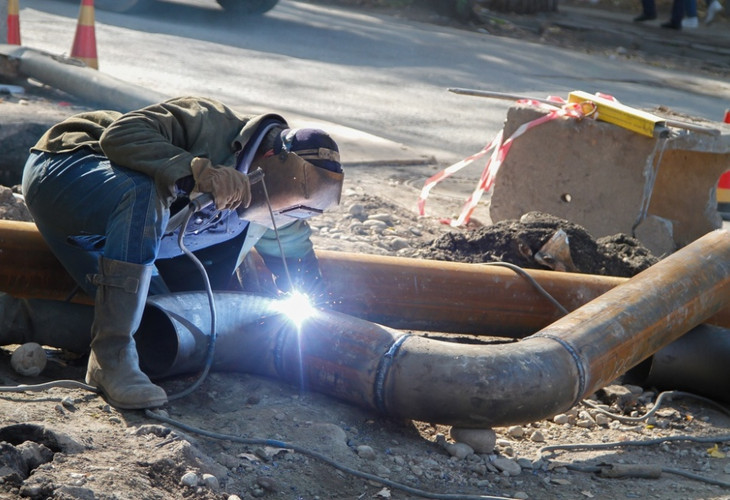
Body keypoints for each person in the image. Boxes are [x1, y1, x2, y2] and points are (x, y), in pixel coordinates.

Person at [21, 96, 344, 410]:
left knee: (177, 330)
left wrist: (322, 314)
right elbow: (120, 134)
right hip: (69, 169)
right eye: (286, 204)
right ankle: (111, 357)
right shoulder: (209, 120)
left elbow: (296, 259)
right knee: (143, 192)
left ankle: (12, 318)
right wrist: (196, 171)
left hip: (108, 239)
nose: (284, 214)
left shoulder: (276, 207)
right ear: (270, 157)